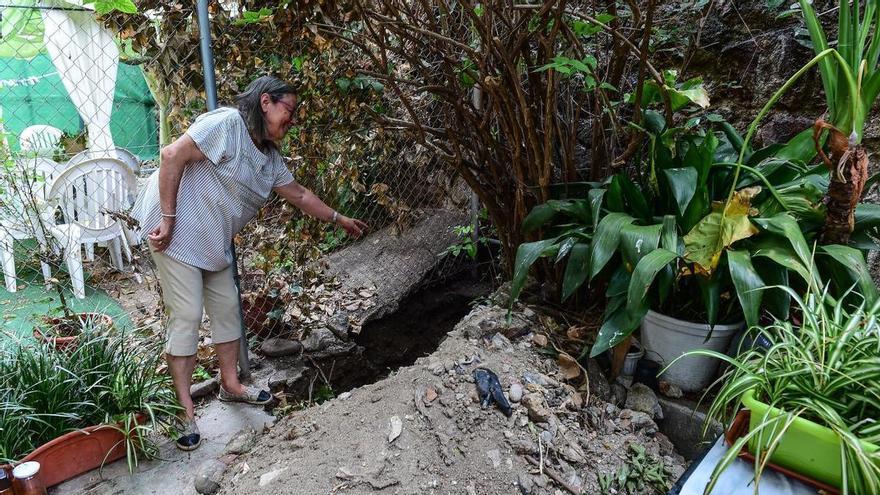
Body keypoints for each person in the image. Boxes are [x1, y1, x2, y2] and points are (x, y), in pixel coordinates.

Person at [131, 75, 367, 451]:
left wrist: (339, 218)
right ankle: (185, 411)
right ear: (265, 103)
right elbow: (171, 155)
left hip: (213, 240)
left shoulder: (270, 159)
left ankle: (231, 385)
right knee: (188, 316)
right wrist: (168, 217)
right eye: (287, 111)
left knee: (227, 311)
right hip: (175, 232)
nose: (291, 120)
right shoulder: (226, 125)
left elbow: (301, 194)